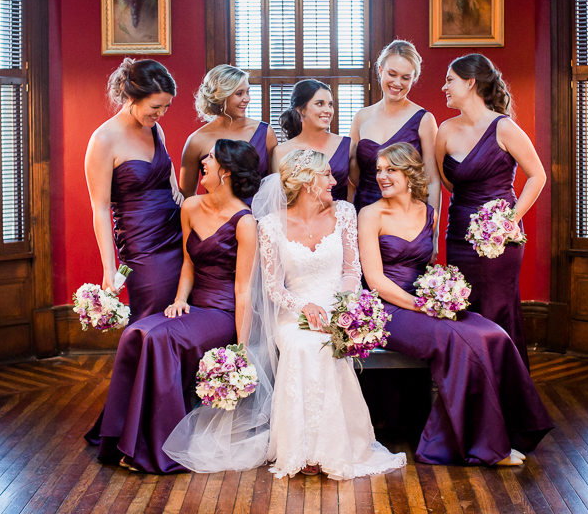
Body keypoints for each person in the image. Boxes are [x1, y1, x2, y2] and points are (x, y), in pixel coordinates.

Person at [164, 150, 406, 480]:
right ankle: (301, 449)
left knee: (325, 345)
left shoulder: (346, 213)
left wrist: (340, 309)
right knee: (302, 345)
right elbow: (274, 288)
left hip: (337, 308)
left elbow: (352, 271)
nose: (334, 181)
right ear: (308, 182)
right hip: (293, 311)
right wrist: (303, 307)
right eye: (327, 176)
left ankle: (334, 447)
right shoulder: (271, 225)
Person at [358, 143, 552, 466]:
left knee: (492, 334)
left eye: (390, 169)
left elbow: (430, 263)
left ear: (409, 174)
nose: (382, 176)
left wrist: (443, 292)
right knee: (457, 340)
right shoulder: (370, 214)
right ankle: (485, 447)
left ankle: (517, 430)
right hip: (388, 309)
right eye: (378, 170)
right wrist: (420, 305)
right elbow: (375, 280)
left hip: (426, 301)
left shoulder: (429, 212)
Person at [86, 139, 261, 473]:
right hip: (194, 306)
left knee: (159, 339)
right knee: (137, 331)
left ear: (225, 171)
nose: (203, 162)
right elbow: (188, 263)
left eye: (210, 158)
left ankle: (155, 449)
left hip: (223, 314)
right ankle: (119, 437)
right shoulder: (191, 207)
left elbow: (243, 291)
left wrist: (241, 347)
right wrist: (180, 300)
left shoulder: (245, 222)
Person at [435, 54, 546, 368]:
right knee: (464, 309)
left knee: (497, 311)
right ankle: (471, 390)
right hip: (459, 235)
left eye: (449, 80)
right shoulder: (445, 130)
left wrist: (508, 220)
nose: (444, 87)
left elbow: (538, 175)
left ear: (470, 83)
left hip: (499, 239)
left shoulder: (504, 128)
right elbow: (448, 181)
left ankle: (503, 394)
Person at [84, 58, 184, 322]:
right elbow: (101, 208)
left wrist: (175, 186)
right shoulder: (103, 140)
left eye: (166, 106)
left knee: (184, 314)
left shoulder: (155, 129)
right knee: (155, 317)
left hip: (177, 234)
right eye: (155, 106)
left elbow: (165, 167)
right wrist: (110, 267)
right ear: (131, 97)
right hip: (143, 246)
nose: (161, 113)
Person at [350, 40, 440, 215]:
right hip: (364, 211)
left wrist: (432, 231)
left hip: (406, 217)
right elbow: (351, 175)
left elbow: (432, 181)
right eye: (392, 74)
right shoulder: (361, 117)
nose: (397, 83)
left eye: (406, 78)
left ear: (413, 79)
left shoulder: (424, 120)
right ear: (381, 70)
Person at [179, 65, 277, 197]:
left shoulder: (265, 132)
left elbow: (275, 185)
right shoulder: (196, 140)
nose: (247, 99)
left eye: (248, 92)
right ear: (220, 97)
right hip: (217, 216)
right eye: (239, 93)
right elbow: (187, 195)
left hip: (260, 215)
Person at [272, 79, 351, 201]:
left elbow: (354, 190)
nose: (328, 110)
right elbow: (278, 199)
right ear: (300, 110)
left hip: (339, 216)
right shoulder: (281, 152)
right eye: (320, 104)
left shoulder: (348, 146)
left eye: (330, 104)